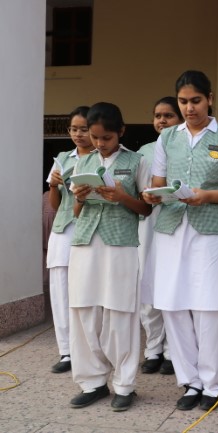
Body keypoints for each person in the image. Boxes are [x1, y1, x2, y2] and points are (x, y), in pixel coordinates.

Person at [143, 71, 218, 412]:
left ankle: (214, 383)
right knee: (173, 305)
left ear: (210, 99)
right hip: (172, 228)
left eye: (196, 101)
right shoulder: (167, 138)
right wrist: (153, 194)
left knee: (210, 308)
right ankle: (190, 381)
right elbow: (159, 181)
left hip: (213, 230)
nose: (189, 108)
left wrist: (208, 195)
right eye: (183, 101)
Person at [68, 102, 152, 411]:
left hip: (120, 244)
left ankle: (124, 384)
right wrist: (79, 198)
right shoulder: (83, 161)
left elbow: (147, 209)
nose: (100, 143)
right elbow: (76, 211)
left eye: (107, 137)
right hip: (85, 242)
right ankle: (92, 382)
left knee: (120, 313)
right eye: (95, 137)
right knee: (84, 311)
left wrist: (122, 197)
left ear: (121, 132)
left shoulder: (137, 161)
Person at [45, 106, 93, 374]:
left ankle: (89, 348)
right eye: (74, 129)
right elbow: (54, 205)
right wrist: (53, 185)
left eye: (83, 129)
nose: (78, 134)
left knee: (87, 291)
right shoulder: (63, 158)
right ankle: (66, 351)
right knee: (61, 289)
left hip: (91, 228)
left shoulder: (101, 158)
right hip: (64, 230)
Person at [137, 96, 182, 375]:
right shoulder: (144, 151)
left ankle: (171, 351)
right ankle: (153, 348)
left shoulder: (185, 148)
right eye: (158, 116)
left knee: (171, 285)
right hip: (149, 222)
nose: (162, 121)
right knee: (148, 285)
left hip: (176, 221)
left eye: (169, 115)